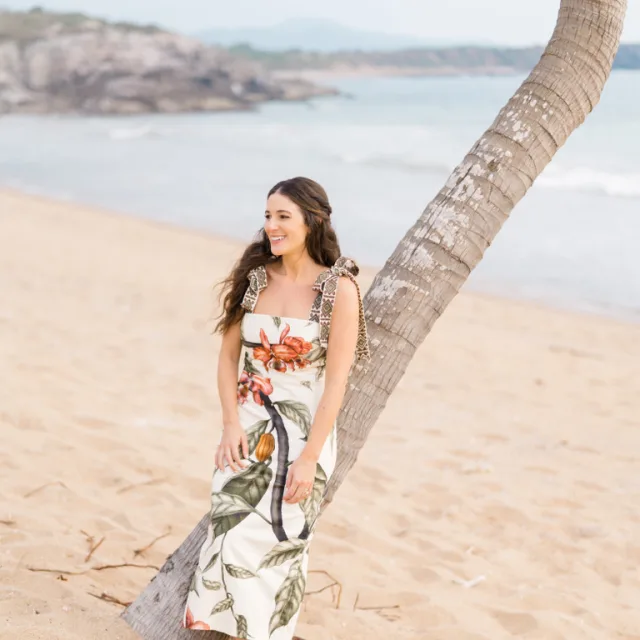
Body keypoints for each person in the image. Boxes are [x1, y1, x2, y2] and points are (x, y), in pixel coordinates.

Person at [182, 177, 371, 639]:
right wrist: (230, 424)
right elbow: (229, 358)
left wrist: (309, 459)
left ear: (313, 220)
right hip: (246, 431)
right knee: (228, 539)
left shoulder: (338, 290)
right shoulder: (256, 279)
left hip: (304, 439)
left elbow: (336, 383)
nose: (271, 226)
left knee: (278, 553)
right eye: (268, 216)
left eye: (283, 216)